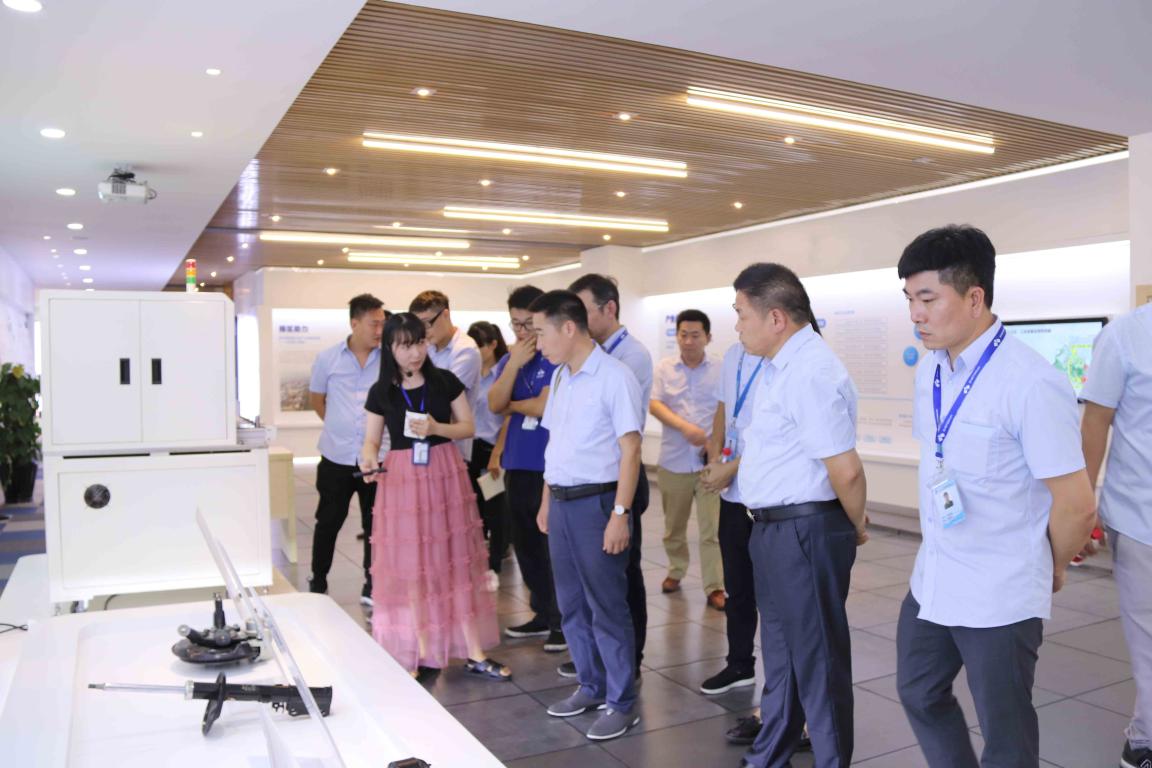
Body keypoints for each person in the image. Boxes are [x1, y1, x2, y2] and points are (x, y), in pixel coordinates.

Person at [895, 225, 1096, 767]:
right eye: (909, 299)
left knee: (1005, 732)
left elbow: (1077, 503)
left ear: (974, 297)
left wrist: (1050, 566)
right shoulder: (931, 370)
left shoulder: (1031, 382)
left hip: (1000, 589)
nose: (915, 314)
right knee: (918, 690)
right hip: (934, 576)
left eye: (928, 299)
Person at [733, 263, 868, 768]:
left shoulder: (811, 370)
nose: (737, 326)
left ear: (775, 318)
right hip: (774, 528)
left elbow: (846, 471)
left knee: (817, 660)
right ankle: (770, 754)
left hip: (804, 529)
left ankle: (832, 760)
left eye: (741, 314)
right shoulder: (780, 368)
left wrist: (854, 525)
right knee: (784, 654)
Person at [359, 312, 510, 682]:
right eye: (404, 346)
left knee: (455, 560)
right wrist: (367, 458)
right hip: (402, 480)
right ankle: (421, 650)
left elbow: (468, 427)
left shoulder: (444, 380)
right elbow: (371, 440)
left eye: (419, 343)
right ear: (389, 348)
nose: (414, 353)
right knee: (413, 568)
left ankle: (474, 652)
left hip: (444, 473)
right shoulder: (382, 391)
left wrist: (436, 428)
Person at [532, 290, 643, 741]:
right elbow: (555, 444)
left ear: (568, 327)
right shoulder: (561, 376)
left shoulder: (615, 377)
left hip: (597, 504)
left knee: (607, 606)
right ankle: (591, 686)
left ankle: (622, 702)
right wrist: (546, 500)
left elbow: (630, 450)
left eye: (541, 333)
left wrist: (620, 513)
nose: (538, 343)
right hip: (561, 503)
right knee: (572, 605)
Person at [568, 273, 652, 679]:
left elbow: (619, 433)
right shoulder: (584, 358)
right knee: (593, 575)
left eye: (583, 311)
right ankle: (600, 656)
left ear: (610, 308)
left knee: (623, 574)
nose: (576, 322)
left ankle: (629, 659)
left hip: (622, 476)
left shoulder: (630, 357)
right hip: (591, 481)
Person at [1079, 300, 1152, 768]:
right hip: (1141, 518)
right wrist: (1082, 509)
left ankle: (1144, 737)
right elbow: (1095, 424)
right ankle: (1146, 743)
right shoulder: (1124, 336)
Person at [486, 285, 566, 653]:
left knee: (551, 547)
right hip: (517, 462)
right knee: (525, 544)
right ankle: (542, 612)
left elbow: (544, 407)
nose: (521, 332)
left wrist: (513, 405)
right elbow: (494, 403)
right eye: (515, 324)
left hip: (548, 466)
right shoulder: (511, 359)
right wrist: (514, 365)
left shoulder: (555, 356)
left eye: (527, 325)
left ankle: (562, 620)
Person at [307, 294, 388, 606]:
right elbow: (317, 398)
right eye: (374, 324)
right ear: (355, 323)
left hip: (376, 458)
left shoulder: (388, 359)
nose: (380, 330)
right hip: (336, 456)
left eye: (382, 324)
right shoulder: (328, 358)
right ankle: (318, 580)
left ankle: (372, 584)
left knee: (375, 524)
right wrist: (338, 426)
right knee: (328, 521)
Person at [650, 309, 724, 609]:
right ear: (677, 336)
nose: (689, 341)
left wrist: (715, 446)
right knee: (674, 527)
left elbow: (726, 409)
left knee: (712, 530)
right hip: (674, 460)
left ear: (708, 337)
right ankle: (676, 569)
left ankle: (714, 585)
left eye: (695, 335)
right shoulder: (664, 368)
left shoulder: (720, 368)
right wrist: (685, 427)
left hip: (710, 463)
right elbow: (654, 404)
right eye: (683, 334)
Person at [466, 321, 511, 592]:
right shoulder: (470, 372)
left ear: (493, 345)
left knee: (496, 511)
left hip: (492, 449)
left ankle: (494, 564)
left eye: (480, 346)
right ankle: (476, 563)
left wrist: (497, 453)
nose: (476, 351)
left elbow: (508, 417)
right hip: (469, 447)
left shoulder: (502, 375)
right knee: (474, 509)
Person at [410, 290, 481, 461]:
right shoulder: (427, 346)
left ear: (445, 315)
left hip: (452, 447)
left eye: (427, 323)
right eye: (418, 326)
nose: (424, 331)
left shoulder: (465, 350)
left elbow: (441, 399)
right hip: (424, 443)